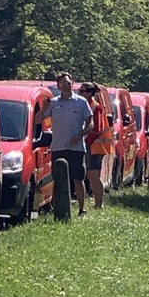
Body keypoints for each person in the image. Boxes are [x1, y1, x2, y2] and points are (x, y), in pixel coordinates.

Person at [36, 72, 93, 215]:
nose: (65, 85)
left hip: (76, 148)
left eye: (68, 82)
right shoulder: (54, 103)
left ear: (72, 84)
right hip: (58, 147)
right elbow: (38, 120)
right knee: (59, 179)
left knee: (78, 178)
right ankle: (58, 210)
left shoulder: (81, 102)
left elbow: (90, 123)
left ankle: (82, 209)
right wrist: (43, 108)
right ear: (58, 86)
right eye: (62, 83)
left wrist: (80, 135)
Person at [78, 82, 111, 209]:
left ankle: (99, 204)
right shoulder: (85, 106)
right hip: (91, 146)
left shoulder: (96, 108)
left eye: (82, 91)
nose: (79, 93)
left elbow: (97, 130)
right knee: (90, 175)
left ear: (89, 93)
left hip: (96, 147)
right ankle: (97, 203)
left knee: (94, 176)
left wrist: (85, 142)